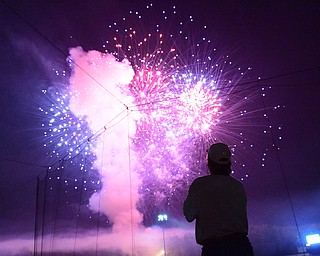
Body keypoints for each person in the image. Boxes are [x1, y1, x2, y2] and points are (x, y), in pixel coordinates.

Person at [183, 142, 254, 256]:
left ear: (209, 162)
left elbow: (189, 215)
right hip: (242, 246)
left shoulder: (200, 185)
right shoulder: (238, 186)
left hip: (215, 248)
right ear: (229, 162)